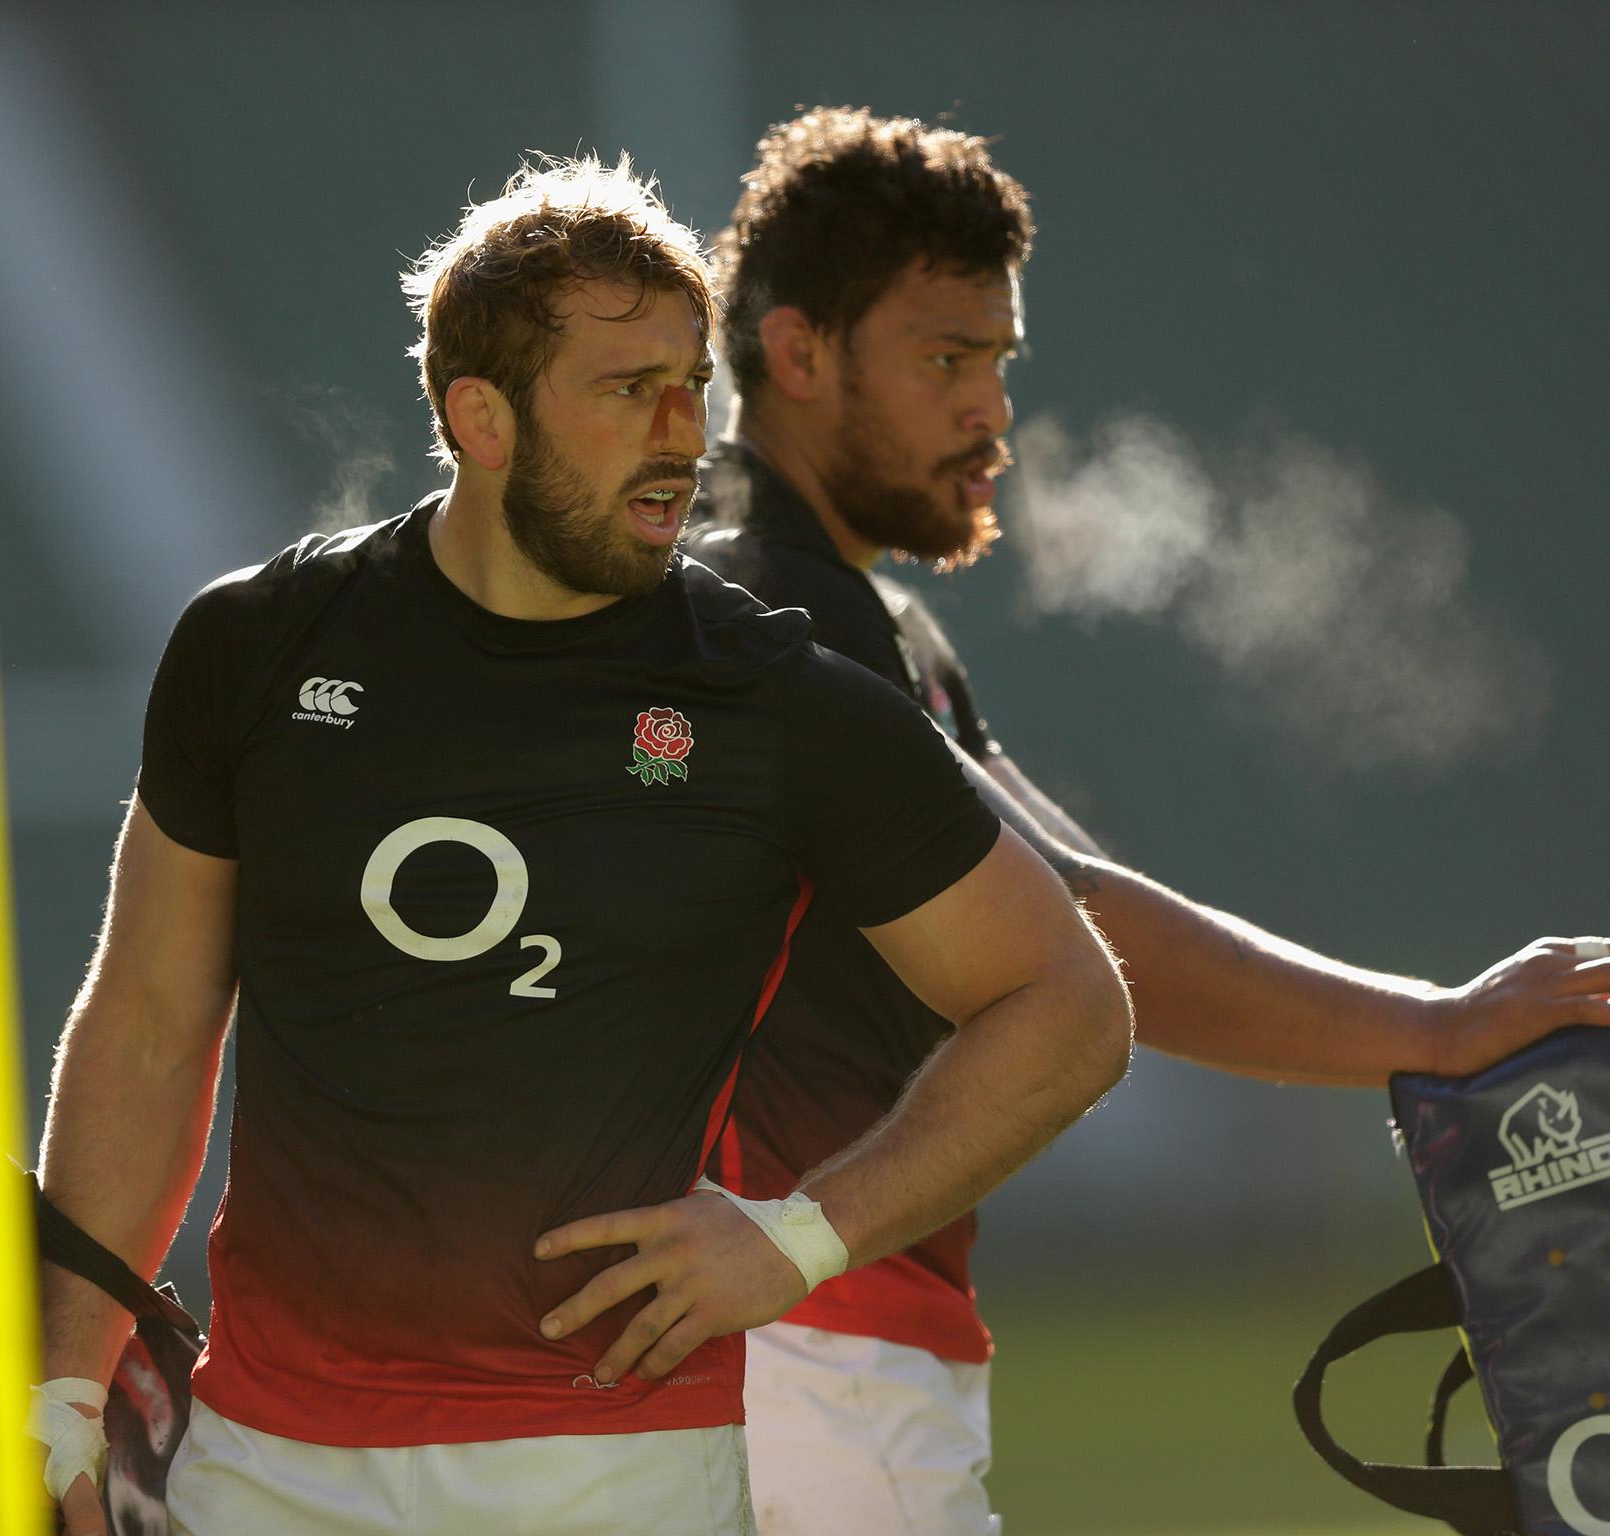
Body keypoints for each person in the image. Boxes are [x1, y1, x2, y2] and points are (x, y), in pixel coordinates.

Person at [27, 154, 1132, 1536]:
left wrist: (798, 1238)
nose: (682, 434)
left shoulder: (774, 702)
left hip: (614, 1481)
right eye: (628, 391)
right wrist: (62, 1396)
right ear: (479, 418)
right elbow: (143, 1023)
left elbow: (1069, 1006)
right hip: (266, 1468)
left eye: (693, 387)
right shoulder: (255, 647)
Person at [685, 105, 1610, 1536]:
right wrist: (1437, 1030)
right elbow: (1079, 923)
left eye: (999, 361)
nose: (991, 409)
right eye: (945, 359)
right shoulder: (770, 599)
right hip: (800, 1355)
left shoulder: (866, 620)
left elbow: (1095, 911)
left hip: (799, 1345)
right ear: (796, 353)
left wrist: (1436, 1022)